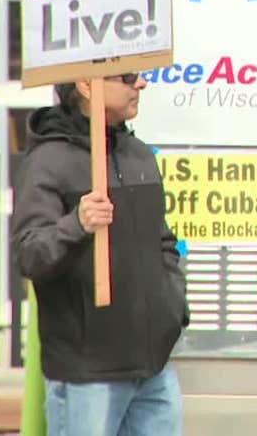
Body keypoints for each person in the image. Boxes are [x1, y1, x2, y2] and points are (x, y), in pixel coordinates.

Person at [12, 72, 188, 436]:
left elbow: (162, 242)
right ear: (86, 84)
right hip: (87, 374)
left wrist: (172, 310)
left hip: (152, 367)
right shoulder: (49, 161)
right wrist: (76, 224)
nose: (140, 84)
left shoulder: (138, 154)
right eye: (126, 77)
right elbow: (29, 254)